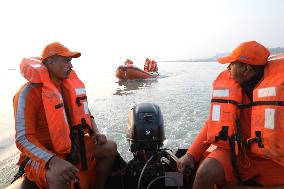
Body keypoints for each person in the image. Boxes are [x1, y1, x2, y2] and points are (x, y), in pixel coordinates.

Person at [176, 41, 284, 189]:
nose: (227, 68)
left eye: (232, 64)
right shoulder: (231, 92)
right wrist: (191, 154)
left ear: (246, 69)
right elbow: (211, 124)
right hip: (236, 154)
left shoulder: (280, 93)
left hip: (273, 160)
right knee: (204, 173)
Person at [13, 42, 117, 189]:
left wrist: (97, 132)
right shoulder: (27, 94)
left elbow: (86, 112)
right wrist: (52, 160)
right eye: (66, 60)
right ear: (50, 61)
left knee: (110, 148)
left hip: (73, 146)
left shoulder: (68, 87)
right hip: (44, 155)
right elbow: (22, 138)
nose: (71, 65)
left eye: (71, 61)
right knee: (58, 176)